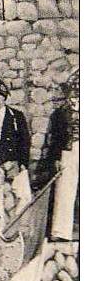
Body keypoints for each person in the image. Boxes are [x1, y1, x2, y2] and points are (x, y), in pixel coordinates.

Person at [47, 68, 79, 241]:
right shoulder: (60, 113)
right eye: (73, 92)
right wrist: (56, 158)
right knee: (65, 188)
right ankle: (61, 231)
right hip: (68, 150)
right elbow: (57, 138)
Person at [0, 78, 31, 171]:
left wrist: (23, 163)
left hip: (10, 162)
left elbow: (24, 141)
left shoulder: (16, 116)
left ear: (4, 97)